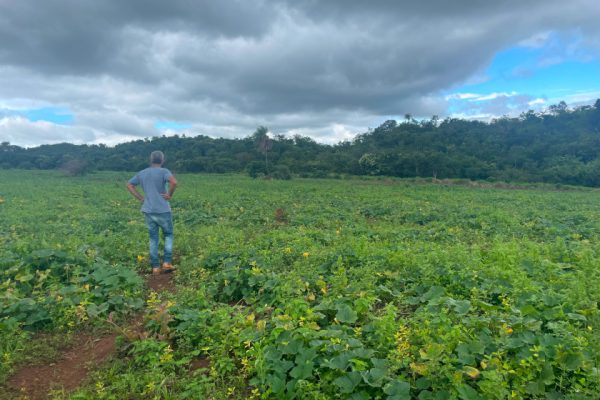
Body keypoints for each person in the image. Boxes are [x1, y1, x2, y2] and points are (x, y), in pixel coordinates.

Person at [127, 150, 177, 275]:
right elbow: (174, 182)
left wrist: (140, 198)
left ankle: (155, 267)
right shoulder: (164, 171)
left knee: (153, 238)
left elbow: (129, 185)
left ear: (150, 160)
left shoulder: (142, 173)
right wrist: (169, 195)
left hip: (148, 210)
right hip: (163, 210)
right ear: (162, 160)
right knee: (168, 235)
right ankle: (167, 263)